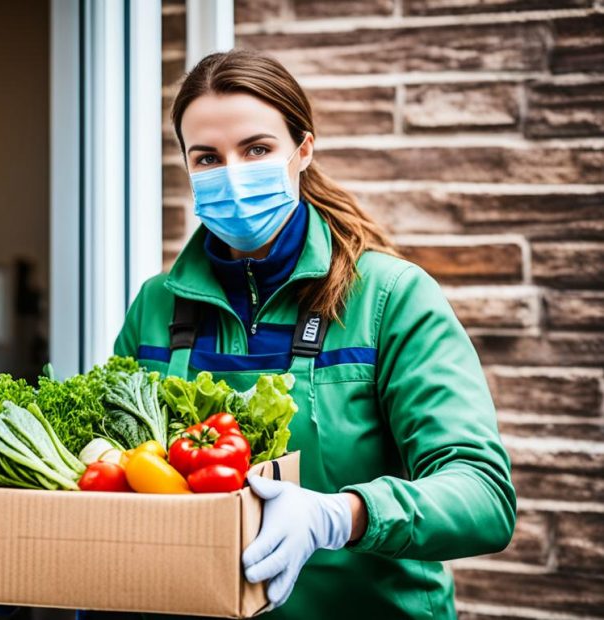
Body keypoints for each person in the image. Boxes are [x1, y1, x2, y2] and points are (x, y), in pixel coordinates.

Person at [109, 49, 516, 618]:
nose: (232, 173)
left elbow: (483, 497)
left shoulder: (389, 297)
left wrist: (341, 516)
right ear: (186, 166)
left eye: (256, 149)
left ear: (302, 150)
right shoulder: (157, 306)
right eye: (207, 157)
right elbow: (113, 471)